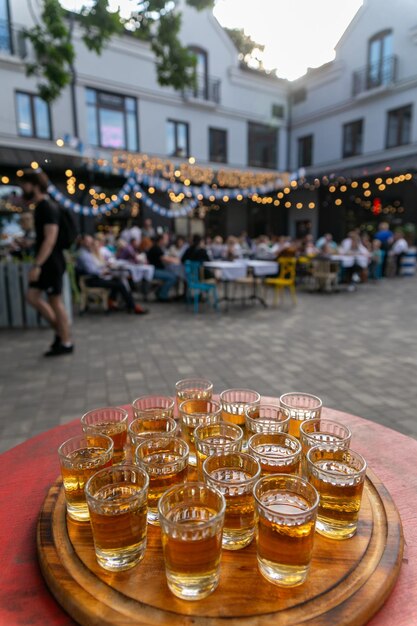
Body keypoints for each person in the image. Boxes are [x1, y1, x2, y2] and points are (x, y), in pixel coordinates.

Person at [20, 169, 74, 357]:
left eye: (24, 184)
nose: (22, 188)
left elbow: (50, 239)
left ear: (34, 185)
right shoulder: (42, 207)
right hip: (47, 261)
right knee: (33, 297)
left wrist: (37, 265)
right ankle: (60, 332)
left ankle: (66, 341)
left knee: (55, 301)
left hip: (51, 262)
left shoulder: (47, 207)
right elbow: (45, 239)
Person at [76, 234, 148, 314]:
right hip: (91, 280)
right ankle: (132, 306)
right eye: (87, 241)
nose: (90, 243)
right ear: (82, 242)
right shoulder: (83, 254)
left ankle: (116, 302)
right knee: (119, 284)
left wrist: (104, 267)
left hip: (95, 277)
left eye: (90, 241)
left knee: (119, 280)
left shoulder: (87, 252)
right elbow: (91, 270)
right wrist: (103, 271)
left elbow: (95, 267)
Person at [146, 233, 178, 301]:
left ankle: (159, 292)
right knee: (173, 277)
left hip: (156, 270)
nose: (167, 240)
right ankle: (162, 295)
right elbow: (164, 258)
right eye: (165, 239)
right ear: (161, 240)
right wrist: (175, 260)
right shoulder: (156, 248)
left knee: (171, 275)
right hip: (154, 271)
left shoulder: (158, 247)